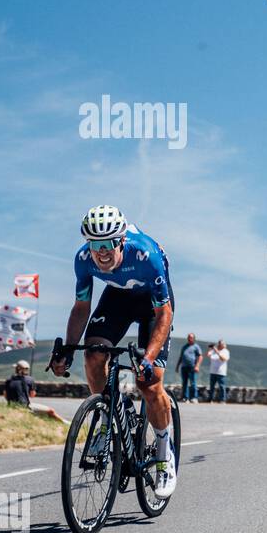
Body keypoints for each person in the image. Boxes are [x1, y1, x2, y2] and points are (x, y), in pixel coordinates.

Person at [48, 205, 179, 497]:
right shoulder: (83, 260)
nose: (101, 252)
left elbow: (164, 313)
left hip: (152, 306)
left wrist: (148, 358)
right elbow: (81, 307)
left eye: (107, 245)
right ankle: (108, 419)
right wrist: (68, 349)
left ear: (121, 241)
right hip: (117, 299)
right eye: (95, 245)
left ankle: (163, 452)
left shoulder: (147, 256)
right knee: (93, 355)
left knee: (149, 381)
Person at [178, 333, 202, 402]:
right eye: (188, 337)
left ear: (194, 338)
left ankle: (194, 397)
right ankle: (185, 398)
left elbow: (200, 356)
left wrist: (197, 366)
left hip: (192, 367)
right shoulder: (184, 346)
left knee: (193, 382)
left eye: (191, 337)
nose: (189, 339)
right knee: (184, 383)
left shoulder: (196, 347)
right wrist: (177, 366)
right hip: (184, 367)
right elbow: (181, 357)